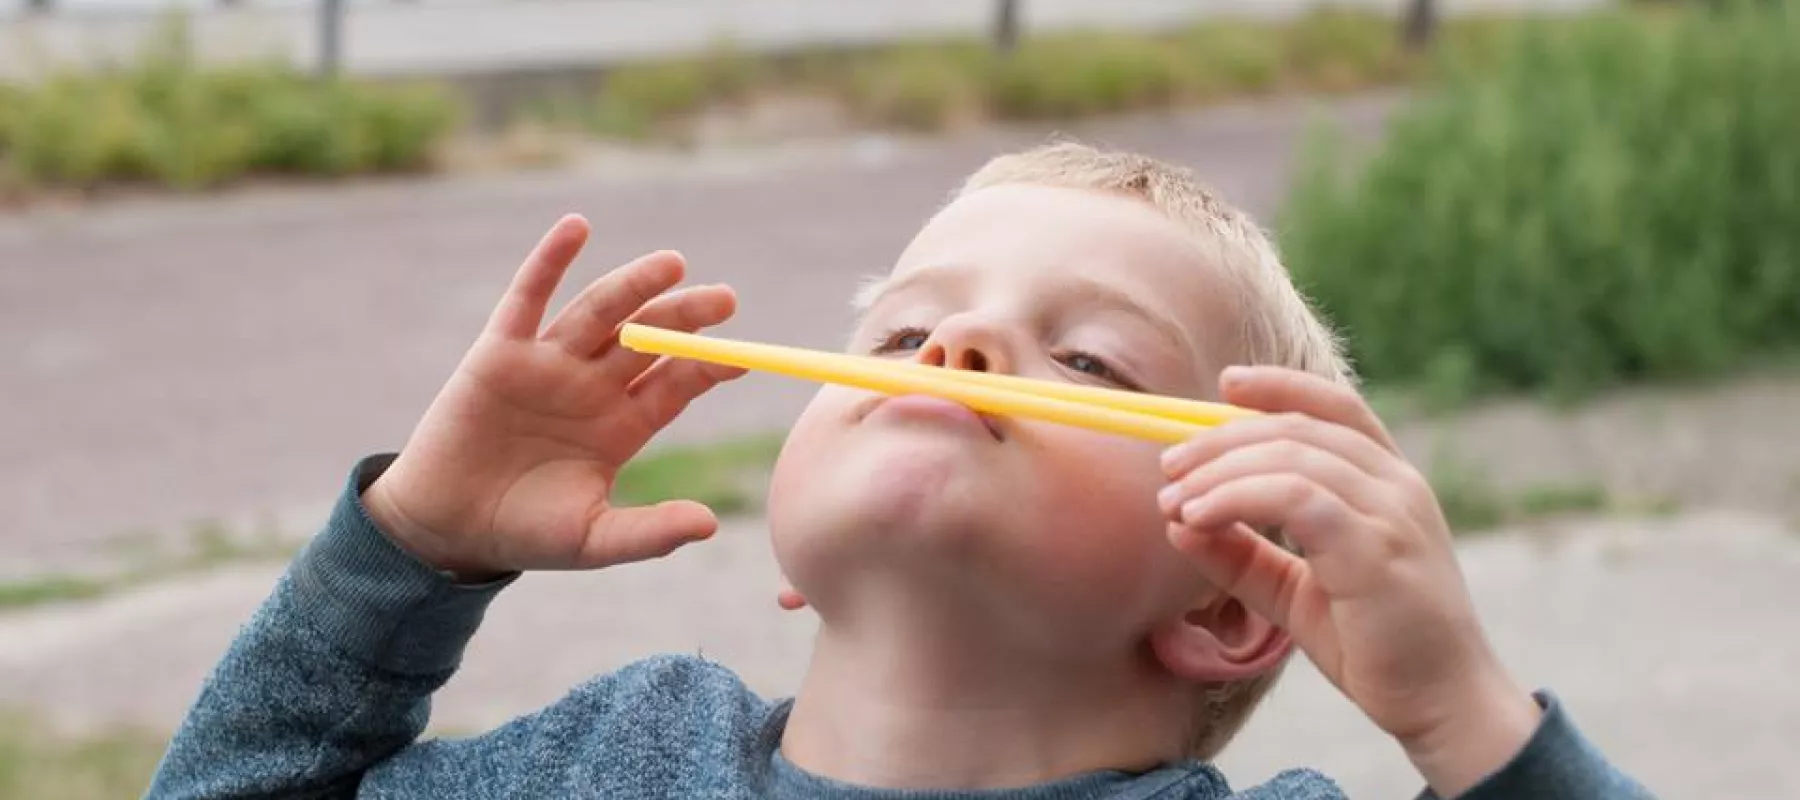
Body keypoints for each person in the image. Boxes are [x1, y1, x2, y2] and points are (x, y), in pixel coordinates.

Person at [146, 143, 1654, 799]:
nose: (960, 345)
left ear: (1231, 599)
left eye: (1093, 364)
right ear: (797, 551)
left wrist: (1464, 715)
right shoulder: (614, 754)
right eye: (909, 325)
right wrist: (412, 545)